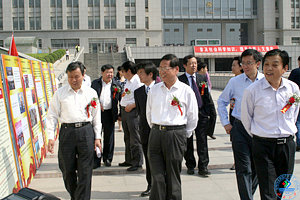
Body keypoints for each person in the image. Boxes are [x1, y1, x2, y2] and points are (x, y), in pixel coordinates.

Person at [241, 49, 300, 200]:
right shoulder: (252, 91)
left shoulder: (293, 89)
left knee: (281, 188)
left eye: (274, 65)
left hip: (287, 145)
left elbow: (293, 115)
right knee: (268, 191)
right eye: (266, 64)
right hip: (263, 145)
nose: (268, 68)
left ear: (285, 68)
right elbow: (247, 119)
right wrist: (260, 135)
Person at [46, 61, 102, 200]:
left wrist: (97, 137)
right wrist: (50, 137)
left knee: (85, 171)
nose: (73, 80)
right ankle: (76, 196)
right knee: (66, 169)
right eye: (70, 77)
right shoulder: (60, 93)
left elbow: (96, 117)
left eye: (76, 76)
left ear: (83, 75)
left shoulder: (91, 93)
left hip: (86, 132)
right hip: (67, 132)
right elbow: (51, 115)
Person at [146, 54, 198, 200]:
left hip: (175, 134)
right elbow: (148, 114)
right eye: (160, 68)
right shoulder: (154, 90)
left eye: (165, 68)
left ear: (176, 69)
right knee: (157, 176)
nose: (161, 71)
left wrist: (183, 134)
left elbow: (193, 116)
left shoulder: (185, 90)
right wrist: (156, 128)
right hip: (156, 134)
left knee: (173, 176)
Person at [217, 49, 263, 200]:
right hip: (239, 128)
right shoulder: (235, 82)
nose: (246, 66)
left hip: (259, 129)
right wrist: (225, 123)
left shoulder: (265, 81)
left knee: (257, 167)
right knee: (243, 167)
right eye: (243, 63)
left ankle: (248, 193)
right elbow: (222, 101)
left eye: (249, 63)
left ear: (258, 63)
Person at [179, 56, 213, 177]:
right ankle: (190, 165)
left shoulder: (202, 78)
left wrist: (208, 112)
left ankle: (203, 166)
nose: (194, 65)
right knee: (188, 141)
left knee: (202, 141)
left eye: (195, 63)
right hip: (186, 115)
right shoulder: (180, 80)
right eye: (191, 63)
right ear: (184, 65)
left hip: (201, 114)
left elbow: (207, 97)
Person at [134, 62, 158, 197]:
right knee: (149, 159)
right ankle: (150, 184)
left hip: (160, 131)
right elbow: (139, 112)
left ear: (150, 74)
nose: (139, 75)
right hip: (145, 131)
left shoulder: (161, 89)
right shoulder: (138, 92)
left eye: (141, 73)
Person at [91, 64, 121, 168]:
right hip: (97, 113)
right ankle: (96, 159)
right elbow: (91, 97)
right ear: (102, 73)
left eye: (111, 72)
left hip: (110, 113)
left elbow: (120, 99)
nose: (110, 74)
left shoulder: (116, 84)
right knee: (96, 136)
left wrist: (120, 114)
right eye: (108, 72)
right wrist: (97, 104)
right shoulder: (95, 83)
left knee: (109, 137)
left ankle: (108, 158)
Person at [119, 61, 144, 171]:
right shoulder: (128, 81)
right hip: (125, 111)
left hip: (133, 112)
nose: (122, 74)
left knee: (135, 138)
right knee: (127, 137)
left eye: (123, 71)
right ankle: (129, 159)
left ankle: (137, 162)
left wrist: (133, 105)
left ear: (129, 71)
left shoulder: (137, 81)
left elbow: (141, 97)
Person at [229, 56, 243, 170]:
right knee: (234, 139)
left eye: (234, 65)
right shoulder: (233, 80)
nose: (232, 67)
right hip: (233, 113)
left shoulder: (245, 81)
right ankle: (236, 161)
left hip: (243, 115)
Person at [197, 62, 217, 140]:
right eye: (206, 68)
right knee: (212, 114)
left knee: (213, 114)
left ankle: (209, 131)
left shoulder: (205, 75)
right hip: (204, 98)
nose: (207, 70)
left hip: (208, 96)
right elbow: (203, 90)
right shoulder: (199, 78)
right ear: (202, 69)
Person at [288, 56, 300, 151]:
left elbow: (289, 84)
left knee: (298, 121)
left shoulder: (296, 72)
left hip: (296, 98)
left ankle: (299, 142)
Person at [116, 66, 126, 132]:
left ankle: (123, 125)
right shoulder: (116, 80)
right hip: (118, 96)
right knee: (119, 111)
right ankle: (119, 126)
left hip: (125, 97)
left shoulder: (127, 79)